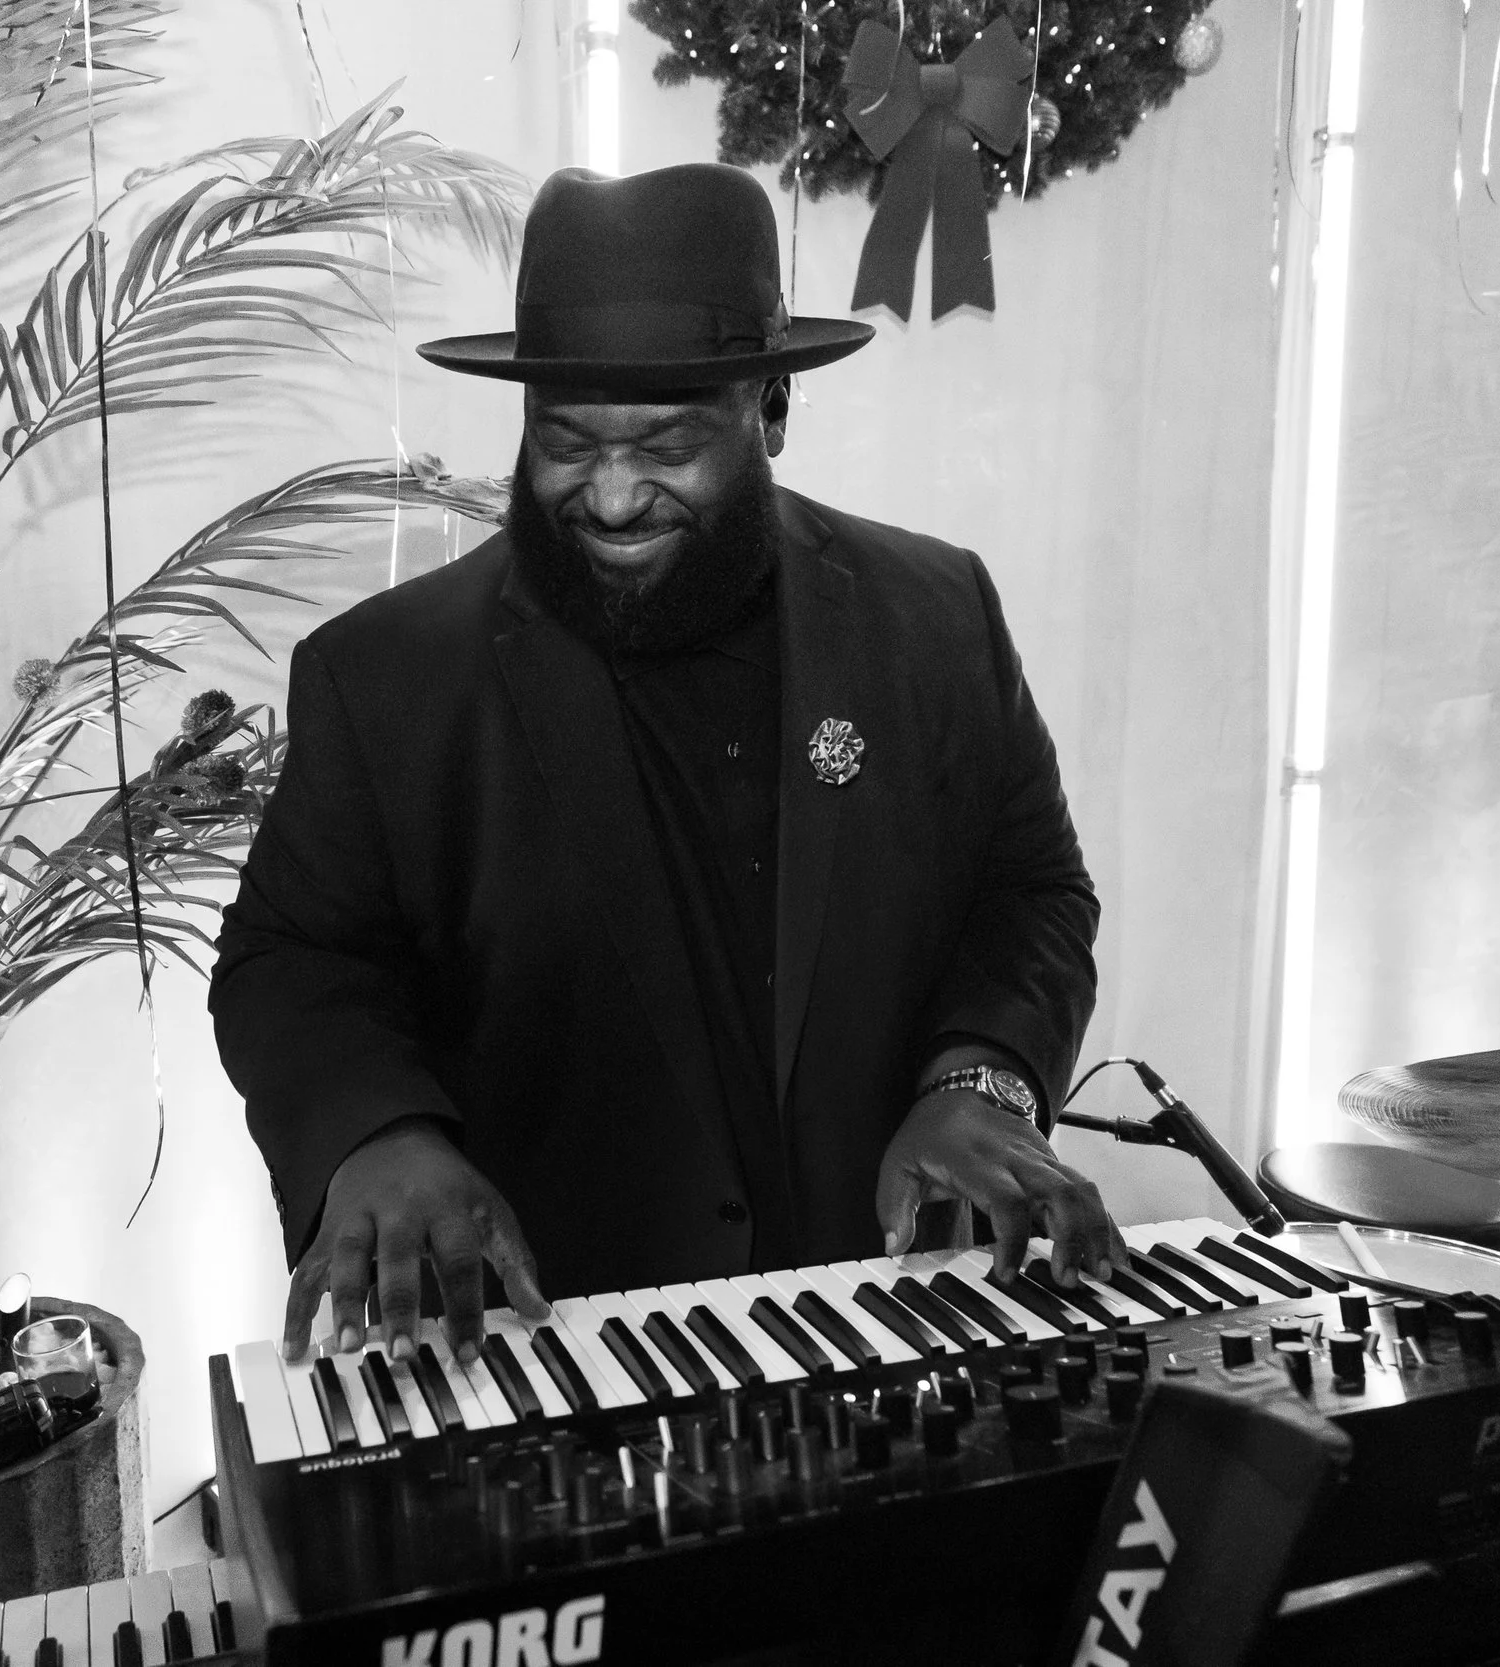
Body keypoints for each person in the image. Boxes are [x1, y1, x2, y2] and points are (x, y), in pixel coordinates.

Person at [210, 163, 1119, 1369]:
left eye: (671, 443)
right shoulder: (382, 675)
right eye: (565, 443)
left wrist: (983, 1074)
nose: (615, 492)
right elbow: (292, 961)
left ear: (773, 407)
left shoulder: (934, 611)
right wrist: (378, 1133)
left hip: (900, 1312)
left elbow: (1032, 889)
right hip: (551, 1345)